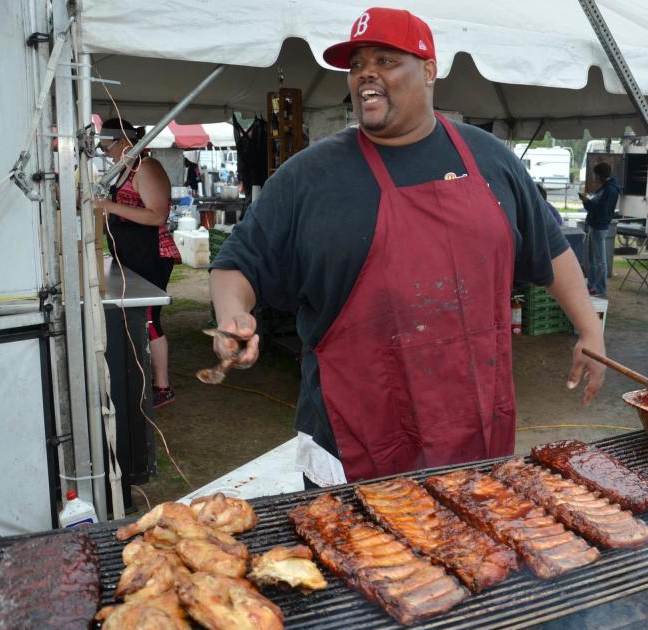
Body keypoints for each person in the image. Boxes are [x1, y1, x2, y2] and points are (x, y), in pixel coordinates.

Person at [208, 7, 606, 486]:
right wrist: (233, 314)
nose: (365, 75)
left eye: (385, 60)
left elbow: (552, 248)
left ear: (430, 71)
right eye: (356, 65)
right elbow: (236, 264)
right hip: (353, 444)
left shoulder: (490, 159)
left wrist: (589, 328)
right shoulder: (307, 178)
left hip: (473, 438)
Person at [95, 118, 180, 408]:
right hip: (131, 254)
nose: (105, 152)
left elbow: (158, 216)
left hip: (152, 254)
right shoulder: (123, 169)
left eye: (107, 146)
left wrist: (108, 206)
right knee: (136, 316)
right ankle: (143, 374)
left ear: (125, 142)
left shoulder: (148, 167)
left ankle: (163, 387)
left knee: (149, 317)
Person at [579, 162, 621, 297]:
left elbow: (602, 210)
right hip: (594, 225)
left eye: (596, 175)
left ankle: (599, 287)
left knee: (599, 259)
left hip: (599, 226)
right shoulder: (606, 187)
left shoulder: (610, 190)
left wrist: (587, 202)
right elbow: (596, 207)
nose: (595, 177)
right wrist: (587, 202)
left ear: (601, 175)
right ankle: (592, 285)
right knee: (592, 258)